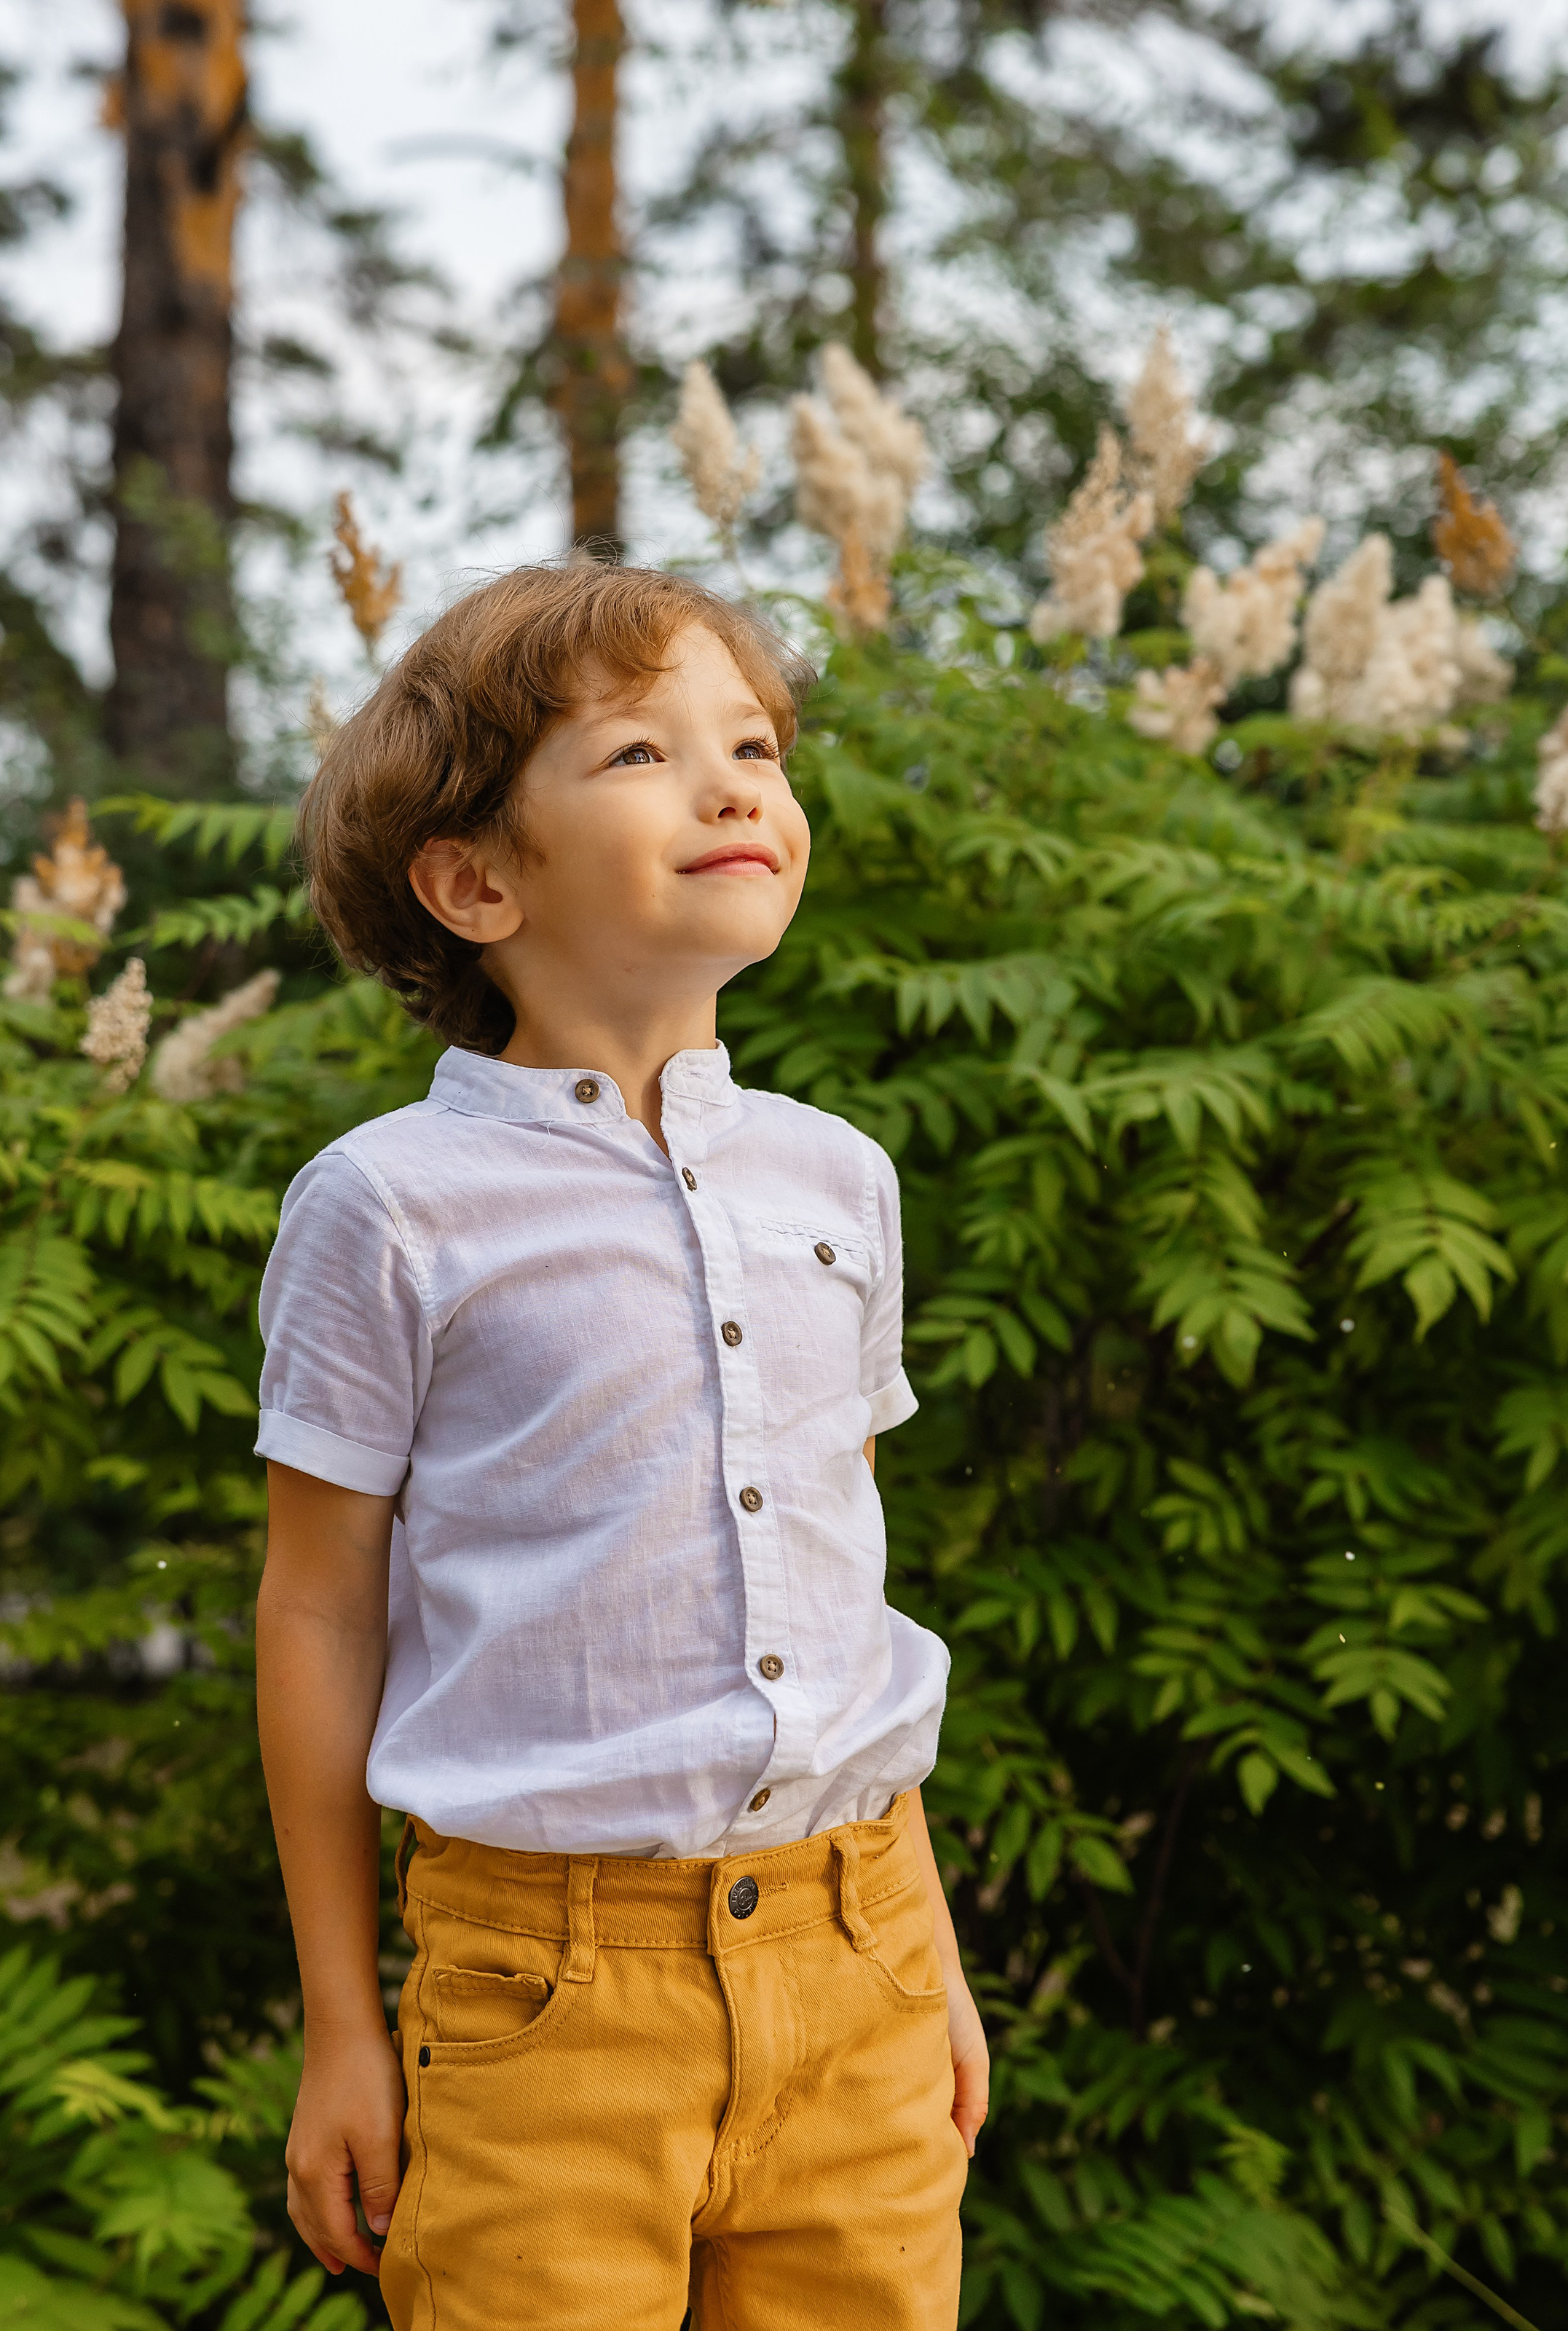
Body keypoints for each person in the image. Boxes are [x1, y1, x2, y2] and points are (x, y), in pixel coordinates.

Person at [253, 562, 987, 2331]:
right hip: (541, 1995)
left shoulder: (840, 1181)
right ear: (475, 880)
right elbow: (315, 1614)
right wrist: (344, 2027)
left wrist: (928, 1956)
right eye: (645, 751)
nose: (736, 785)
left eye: (753, 745)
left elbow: (845, 1599)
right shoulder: (388, 1208)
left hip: (859, 1952)